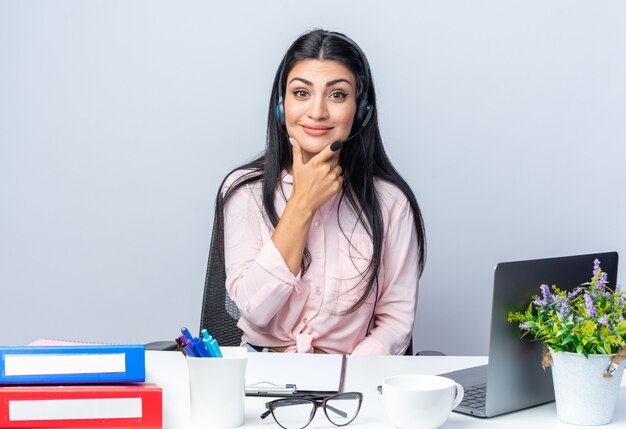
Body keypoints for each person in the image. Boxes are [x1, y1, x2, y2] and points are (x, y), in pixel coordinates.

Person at [213, 29, 426, 355]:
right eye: (301, 93)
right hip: (263, 376)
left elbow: (395, 323)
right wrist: (302, 203)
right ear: (281, 107)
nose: (317, 111)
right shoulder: (245, 190)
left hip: (351, 382)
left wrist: (347, 378)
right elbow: (253, 309)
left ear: (361, 110)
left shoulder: (390, 202)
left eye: (337, 95)